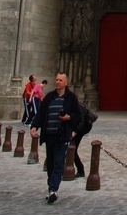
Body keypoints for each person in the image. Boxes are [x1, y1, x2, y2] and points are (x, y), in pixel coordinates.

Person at [30, 72, 82, 204]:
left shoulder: (71, 98)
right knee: (51, 163)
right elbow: (41, 113)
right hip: (49, 135)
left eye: (60, 80)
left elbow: (78, 115)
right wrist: (35, 125)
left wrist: (68, 118)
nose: (57, 82)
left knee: (59, 162)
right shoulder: (49, 97)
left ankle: (53, 189)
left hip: (62, 136)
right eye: (57, 80)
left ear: (66, 83)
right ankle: (51, 189)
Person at [71, 100, 97, 178]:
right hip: (76, 129)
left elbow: (82, 121)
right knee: (71, 149)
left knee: (73, 148)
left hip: (81, 129)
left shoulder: (78, 106)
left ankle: (80, 170)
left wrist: (75, 132)